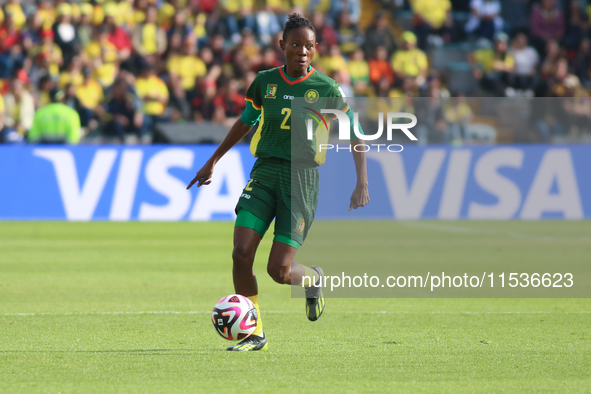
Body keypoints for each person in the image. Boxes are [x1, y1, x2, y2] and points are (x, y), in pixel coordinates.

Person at [186, 13, 369, 352]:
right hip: (265, 172)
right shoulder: (265, 82)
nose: (302, 51)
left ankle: (312, 280)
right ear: (281, 44)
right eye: (296, 44)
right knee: (241, 253)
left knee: (279, 271)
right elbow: (245, 121)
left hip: (301, 181)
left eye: (309, 46)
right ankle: (254, 333)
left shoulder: (326, 89)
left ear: (315, 50)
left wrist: (362, 182)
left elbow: (356, 132)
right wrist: (213, 160)